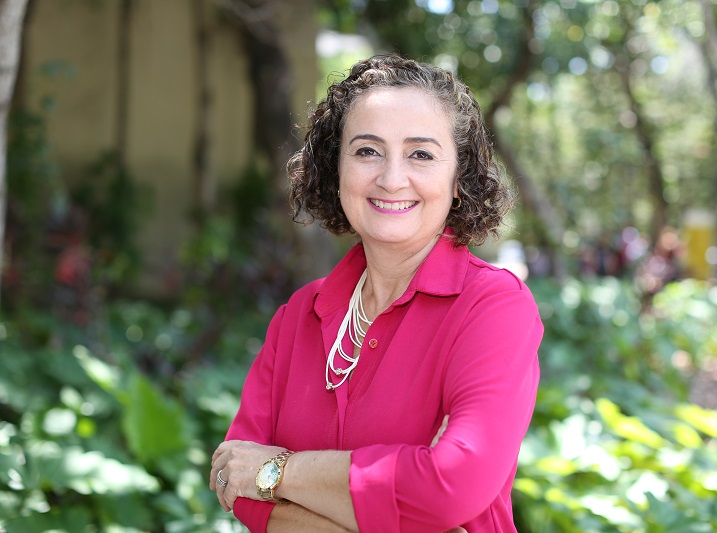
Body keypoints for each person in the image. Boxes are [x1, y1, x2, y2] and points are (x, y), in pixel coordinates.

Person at [209, 54, 544, 533]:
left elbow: (451, 488)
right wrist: (403, 498)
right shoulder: (299, 314)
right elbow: (234, 477)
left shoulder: (493, 307)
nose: (391, 178)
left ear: (458, 180)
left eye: (421, 154)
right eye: (367, 151)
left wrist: (279, 472)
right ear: (335, 167)